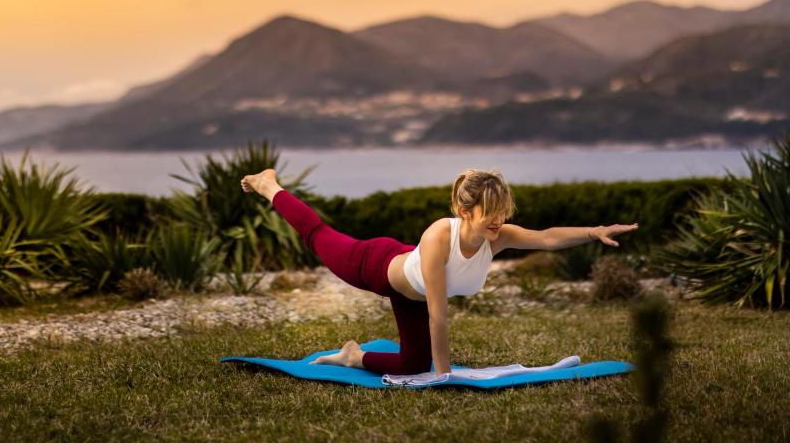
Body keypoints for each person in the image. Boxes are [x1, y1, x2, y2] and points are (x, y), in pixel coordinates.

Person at [240, 167, 639, 375]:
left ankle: (352, 356)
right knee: (317, 235)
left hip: (409, 287)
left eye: (502, 212)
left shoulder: (497, 236)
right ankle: (268, 185)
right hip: (374, 265)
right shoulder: (438, 237)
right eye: (490, 213)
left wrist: (594, 231)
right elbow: (438, 316)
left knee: (414, 366)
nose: (498, 221)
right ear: (465, 211)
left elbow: (548, 238)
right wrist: (445, 375)